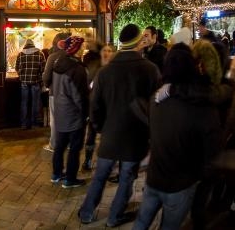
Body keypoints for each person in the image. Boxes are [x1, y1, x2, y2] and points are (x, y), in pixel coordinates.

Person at [132, 45, 223, 230]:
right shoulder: (203, 106)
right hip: (180, 183)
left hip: (154, 177)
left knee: (141, 223)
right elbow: (212, 151)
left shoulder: (157, 99)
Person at [78, 24, 160, 227]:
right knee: (126, 179)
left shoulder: (106, 72)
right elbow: (156, 104)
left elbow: (94, 105)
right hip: (136, 135)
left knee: (100, 176)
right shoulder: (149, 70)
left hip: (111, 133)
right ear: (138, 41)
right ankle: (114, 216)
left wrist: (100, 127)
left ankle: (87, 212)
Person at [45, 36, 88, 188]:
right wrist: (85, 113)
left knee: (60, 146)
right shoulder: (77, 69)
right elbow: (79, 95)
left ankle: (56, 174)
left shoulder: (58, 64)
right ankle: (70, 178)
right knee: (74, 148)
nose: (84, 48)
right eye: (82, 46)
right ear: (76, 49)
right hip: (74, 114)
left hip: (60, 110)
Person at [82, 43, 116, 170]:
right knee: (91, 134)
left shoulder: (115, 70)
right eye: (104, 50)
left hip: (109, 108)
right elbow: (88, 87)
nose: (107, 53)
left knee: (108, 136)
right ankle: (88, 159)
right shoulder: (94, 68)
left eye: (109, 51)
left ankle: (108, 161)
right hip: (95, 106)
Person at [42, 32, 70, 152]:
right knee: (68, 118)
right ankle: (68, 143)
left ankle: (54, 144)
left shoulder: (52, 57)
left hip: (55, 92)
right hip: (70, 93)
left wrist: (48, 85)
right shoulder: (72, 56)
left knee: (55, 120)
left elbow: (46, 77)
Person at [15, 39, 46, 130]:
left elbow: (17, 67)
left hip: (24, 82)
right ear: (33, 44)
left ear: (25, 45)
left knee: (24, 103)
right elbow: (43, 69)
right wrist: (39, 78)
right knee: (35, 103)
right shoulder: (40, 54)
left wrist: (21, 76)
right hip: (35, 82)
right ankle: (34, 123)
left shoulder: (20, 54)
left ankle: (24, 124)